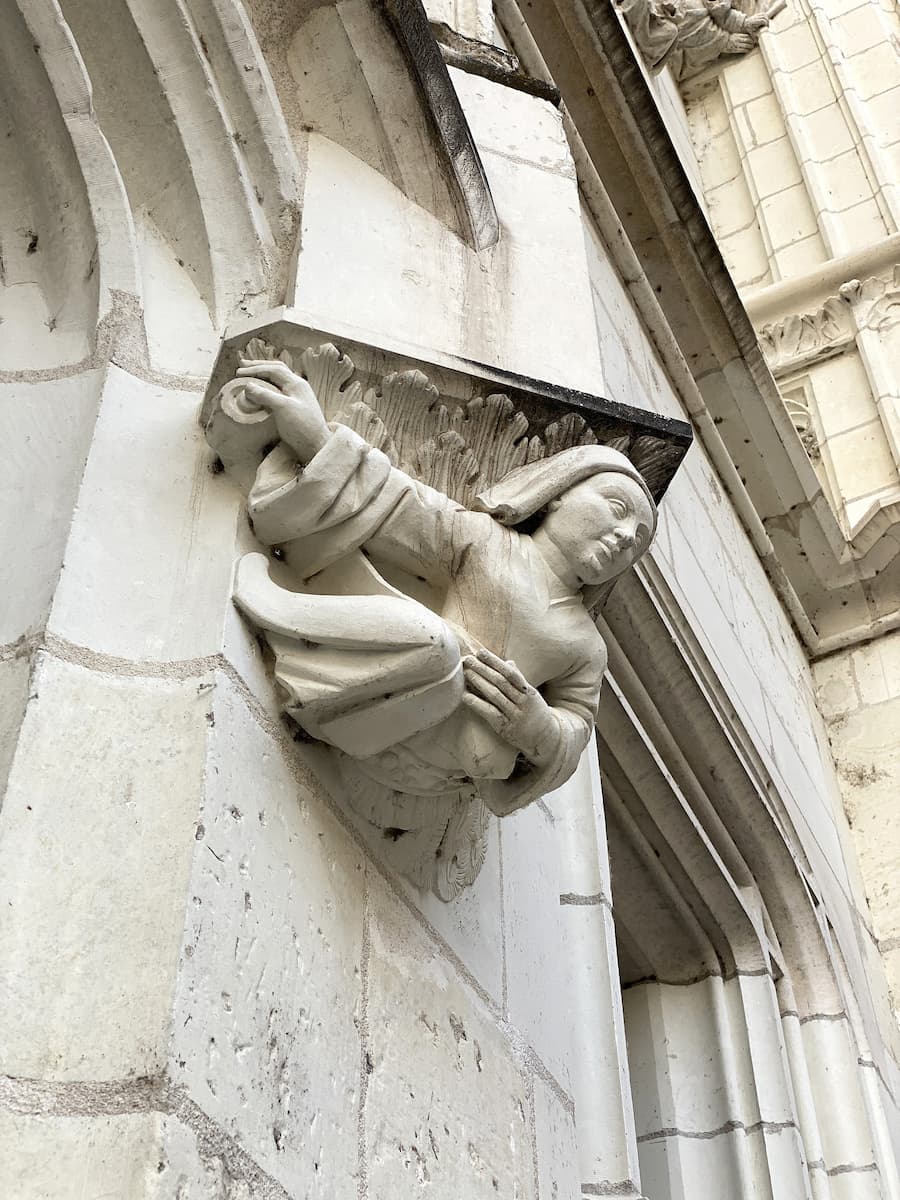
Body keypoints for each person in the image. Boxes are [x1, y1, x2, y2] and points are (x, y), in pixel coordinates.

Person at [226, 359, 657, 819]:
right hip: (399, 706)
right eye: (616, 507)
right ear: (557, 493)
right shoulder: (483, 539)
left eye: (640, 539)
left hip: (445, 769)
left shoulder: (587, 646)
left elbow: (576, 722)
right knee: (437, 645)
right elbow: (397, 503)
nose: (626, 536)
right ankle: (305, 647)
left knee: (487, 744)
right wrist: (314, 437)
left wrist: (540, 727)